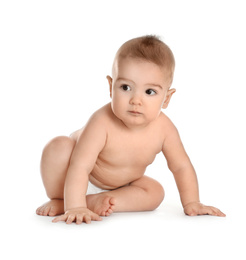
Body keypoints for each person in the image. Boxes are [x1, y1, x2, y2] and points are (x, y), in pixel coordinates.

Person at [36, 35, 225, 224]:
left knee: (155, 192)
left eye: (149, 92)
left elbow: (181, 166)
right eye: (126, 87)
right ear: (111, 87)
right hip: (77, 178)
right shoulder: (101, 122)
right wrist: (75, 207)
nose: (136, 100)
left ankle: (95, 202)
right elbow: (80, 166)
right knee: (58, 147)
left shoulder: (165, 129)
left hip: (121, 185)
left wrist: (192, 202)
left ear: (166, 98)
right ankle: (63, 201)